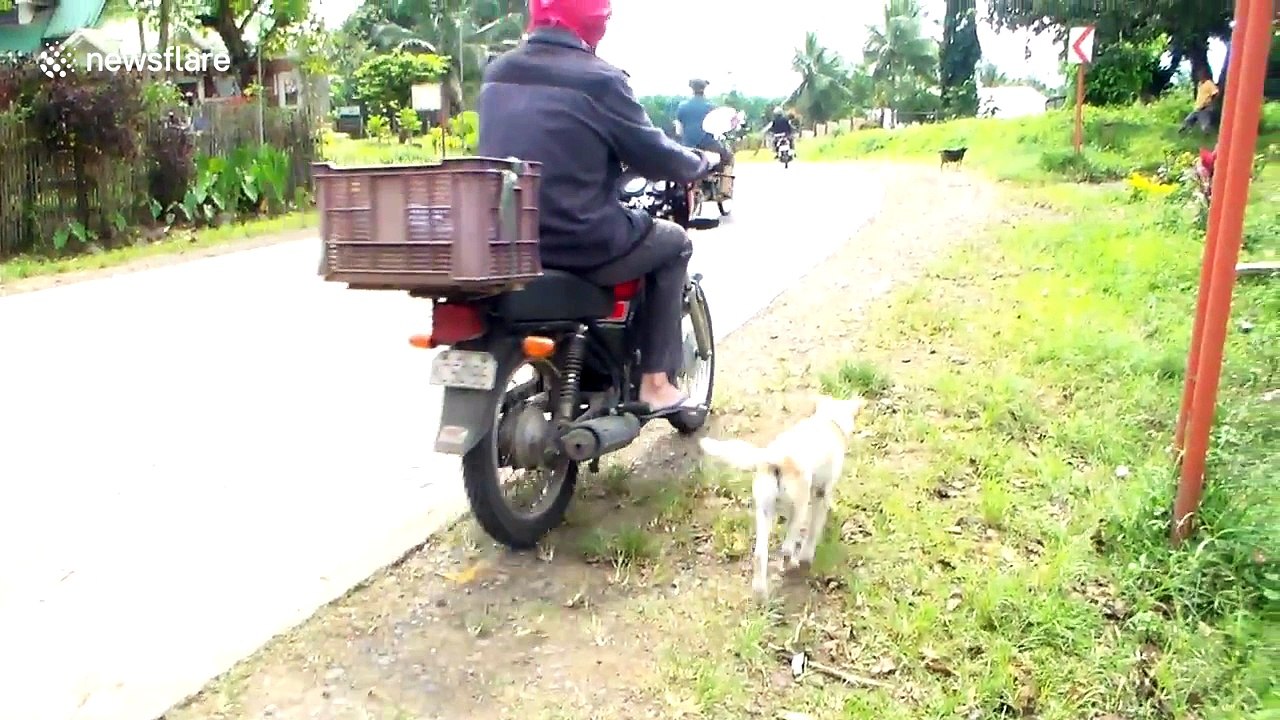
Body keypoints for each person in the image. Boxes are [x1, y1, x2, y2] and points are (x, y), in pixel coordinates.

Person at [476, 0, 718, 417]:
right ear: (594, 22)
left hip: (508, 240)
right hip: (580, 241)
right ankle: (656, 384)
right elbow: (654, 152)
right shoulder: (601, 80)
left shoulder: (498, 71)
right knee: (674, 243)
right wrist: (699, 162)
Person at [674, 78, 734, 174]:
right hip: (710, 145)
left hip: (688, 147)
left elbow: (678, 131)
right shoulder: (712, 107)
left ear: (692, 89)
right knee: (729, 157)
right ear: (704, 89)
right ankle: (725, 183)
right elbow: (718, 129)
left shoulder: (682, 106)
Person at [1180, 69, 1218, 134]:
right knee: (1187, 120)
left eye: (1201, 75)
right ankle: (1183, 133)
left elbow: (1215, 93)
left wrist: (1209, 103)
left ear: (1204, 75)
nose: (1200, 77)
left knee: (1205, 125)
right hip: (1198, 107)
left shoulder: (1209, 83)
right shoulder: (1200, 84)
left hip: (1205, 108)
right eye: (1199, 76)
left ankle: (1208, 135)